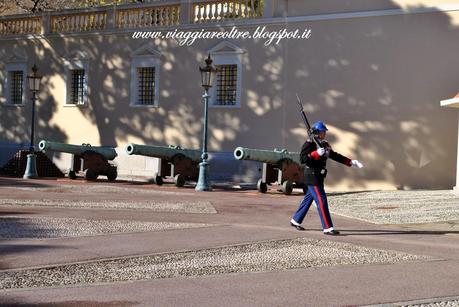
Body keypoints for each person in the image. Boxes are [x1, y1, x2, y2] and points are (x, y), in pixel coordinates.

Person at [290, 121, 363, 235]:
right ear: (317, 132)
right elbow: (302, 159)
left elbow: (334, 155)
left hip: (319, 176)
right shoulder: (309, 144)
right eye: (323, 131)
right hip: (312, 177)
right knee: (321, 200)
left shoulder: (324, 144)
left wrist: (350, 162)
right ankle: (328, 227)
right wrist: (315, 154)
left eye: (324, 131)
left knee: (308, 200)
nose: (324, 133)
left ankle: (295, 220)